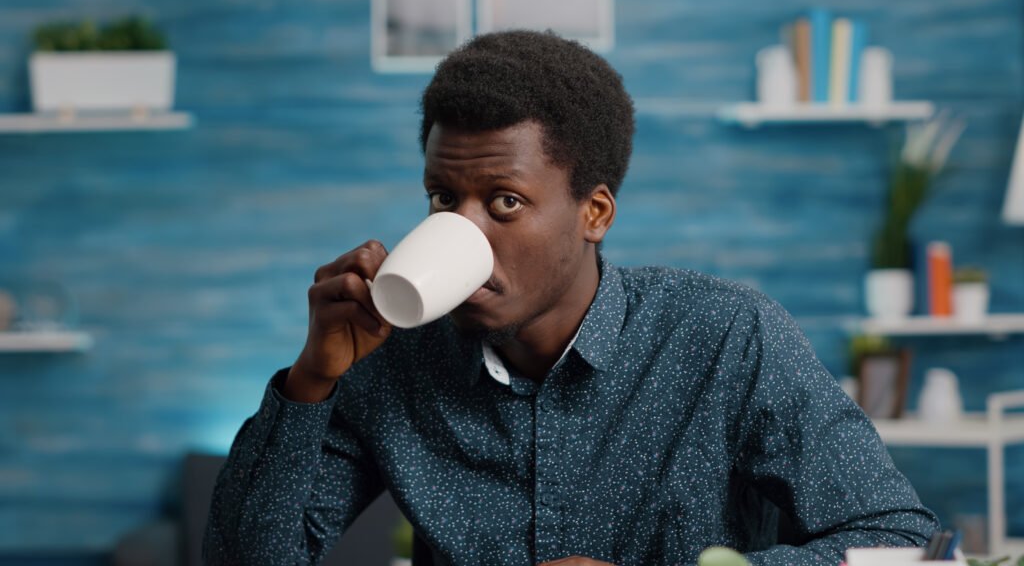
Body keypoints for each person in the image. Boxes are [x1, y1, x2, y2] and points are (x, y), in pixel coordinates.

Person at [204, 30, 938, 566]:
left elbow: (896, 542)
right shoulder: (392, 360)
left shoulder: (727, 337)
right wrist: (312, 380)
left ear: (595, 212)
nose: (463, 228)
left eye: (504, 201)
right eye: (442, 197)